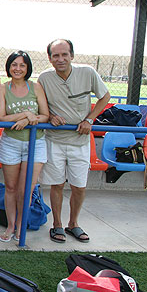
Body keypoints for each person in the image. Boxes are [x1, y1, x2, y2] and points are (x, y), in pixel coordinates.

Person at [37, 39, 110, 244]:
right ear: (50, 58)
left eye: (64, 54)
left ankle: (73, 224)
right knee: (57, 184)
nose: (60, 59)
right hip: (55, 140)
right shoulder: (44, 78)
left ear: (72, 56)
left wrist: (90, 119)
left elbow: (105, 97)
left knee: (79, 186)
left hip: (80, 141)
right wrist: (51, 116)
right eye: (56, 55)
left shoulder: (87, 72)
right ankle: (57, 224)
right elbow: (40, 104)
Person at [0, 51, 49, 242]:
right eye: (14, 65)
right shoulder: (3, 88)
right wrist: (26, 115)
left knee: (25, 189)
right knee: (10, 187)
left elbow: (45, 116)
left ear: (28, 68)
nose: (17, 69)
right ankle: (10, 226)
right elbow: (2, 117)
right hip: (11, 143)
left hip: (35, 143)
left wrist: (28, 120)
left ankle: (21, 225)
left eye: (22, 65)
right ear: (9, 67)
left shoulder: (36, 87)